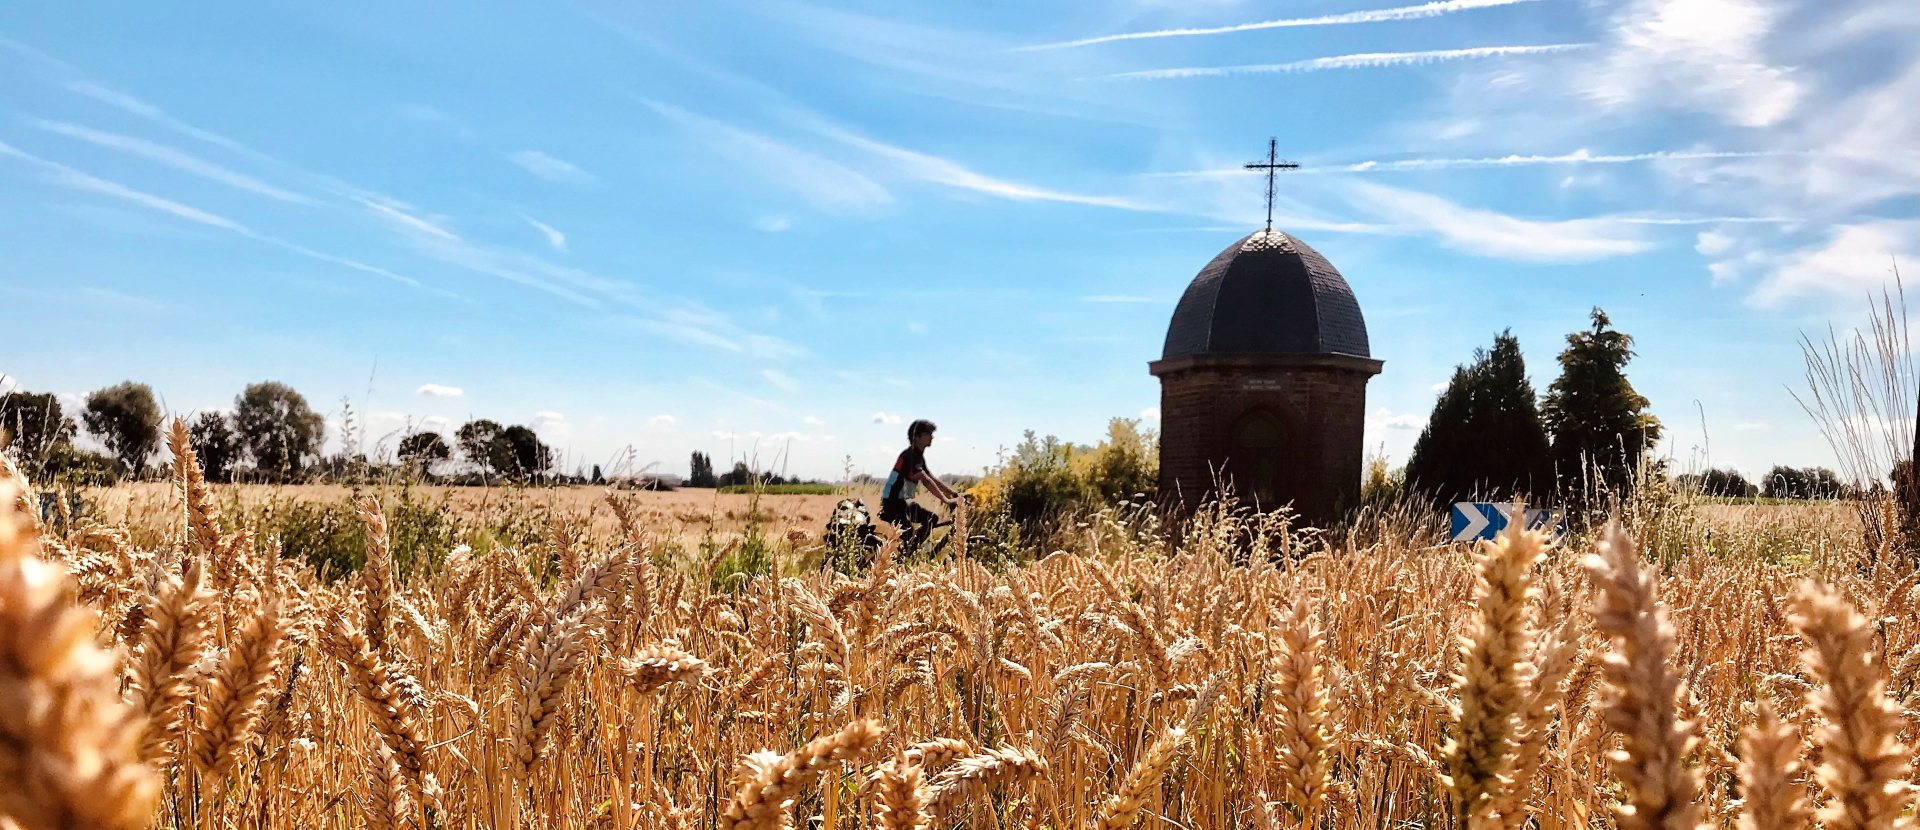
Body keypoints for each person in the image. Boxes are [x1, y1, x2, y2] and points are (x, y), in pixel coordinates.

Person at [880, 419, 959, 552]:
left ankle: (911, 551)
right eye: (928, 433)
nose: (932, 437)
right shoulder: (910, 455)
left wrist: (953, 494)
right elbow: (925, 480)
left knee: (931, 519)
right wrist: (946, 500)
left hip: (901, 502)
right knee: (908, 533)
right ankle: (908, 554)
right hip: (893, 503)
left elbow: (931, 478)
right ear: (917, 437)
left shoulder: (918, 456)